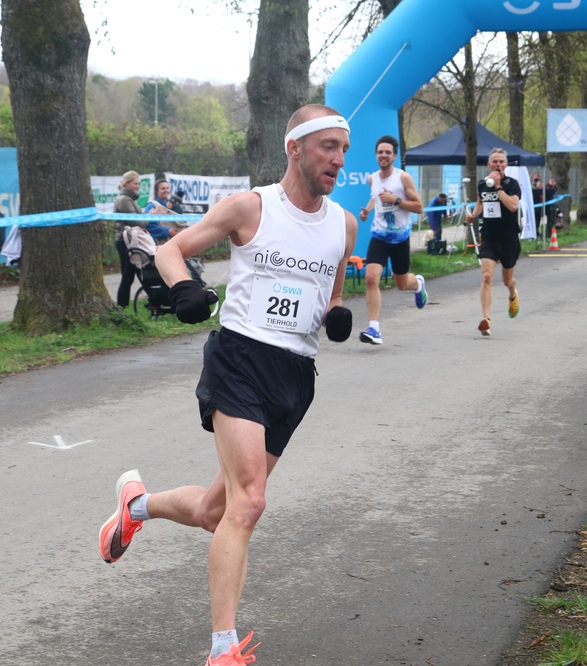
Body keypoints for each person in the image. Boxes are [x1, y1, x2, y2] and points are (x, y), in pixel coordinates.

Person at [98, 104, 357, 665]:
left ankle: (137, 506)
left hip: (296, 375)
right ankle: (223, 650)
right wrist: (183, 289)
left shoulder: (344, 223)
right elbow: (170, 250)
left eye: (343, 149)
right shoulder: (251, 207)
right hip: (240, 360)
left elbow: (333, 291)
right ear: (295, 148)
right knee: (251, 501)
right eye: (327, 147)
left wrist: (336, 311)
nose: (338, 159)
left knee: (217, 512)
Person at [356, 134, 428, 345]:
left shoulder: (403, 178)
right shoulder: (372, 178)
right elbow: (375, 197)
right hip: (378, 236)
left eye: (387, 152)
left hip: (400, 239)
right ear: (376, 155)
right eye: (380, 152)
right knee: (371, 278)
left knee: (402, 283)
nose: (383, 155)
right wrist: (367, 211)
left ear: (394, 156)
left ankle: (418, 285)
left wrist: (396, 200)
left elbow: (419, 207)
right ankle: (374, 328)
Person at [465, 148, 521, 337]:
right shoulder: (483, 184)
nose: (498, 165)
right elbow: (481, 203)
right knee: (487, 276)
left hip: (509, 238)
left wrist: (498, 187)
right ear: (489, 164)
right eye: (495, 162)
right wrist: (473, 215)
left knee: (507, 280)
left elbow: (512, 206)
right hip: (489, 236)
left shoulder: (512, 184)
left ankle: (513, 293)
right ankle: (486, 320)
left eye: (501, 162)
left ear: (506, 165)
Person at [112, 170, 154, 308]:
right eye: (135, 184)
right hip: (125, 241)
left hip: (129, 240)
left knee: (135, 273)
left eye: (138, 184)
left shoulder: (129, 199)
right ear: (126, 184)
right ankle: (122, 308)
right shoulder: (124, 200)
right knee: (128, 276)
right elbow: (136, 222)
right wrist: (149, 216)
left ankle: (154, 301)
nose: (137, 186)